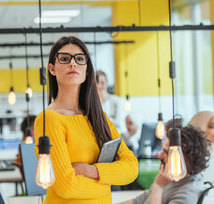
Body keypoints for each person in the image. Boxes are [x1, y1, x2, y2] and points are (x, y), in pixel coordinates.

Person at [34, 36, 138, 204]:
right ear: (52, 69)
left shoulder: (99, 117)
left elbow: (132, 168)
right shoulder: (48, 120)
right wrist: (107, 182)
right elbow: (66, 186)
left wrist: (92, 171)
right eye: (65, 59)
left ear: (87, 70)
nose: (73, 64)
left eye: (80, 59)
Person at [120, 118, 210, 204]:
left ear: (186, 159)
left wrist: (158, 186)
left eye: (167, 152)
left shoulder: (189, 192)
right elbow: (136, 202)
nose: (159, 155)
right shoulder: (171, 179)